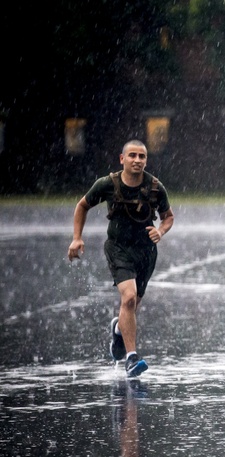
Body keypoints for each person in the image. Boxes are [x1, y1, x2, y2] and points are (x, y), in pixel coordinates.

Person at [68, 140, 174, 377]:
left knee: (133, 305)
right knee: (128, 298)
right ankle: (131, 358)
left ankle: (118, 329)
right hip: (118, 248)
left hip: (146, 252)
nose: (137, 160)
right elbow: (82, 206)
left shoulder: (156, 187)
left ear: (146, 160)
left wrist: (161, 230)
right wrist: (77, 238)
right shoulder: (107, 184)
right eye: (133, 156)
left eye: (142, 156)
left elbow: (168, 217)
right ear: (122, 159)